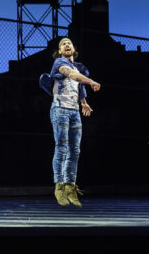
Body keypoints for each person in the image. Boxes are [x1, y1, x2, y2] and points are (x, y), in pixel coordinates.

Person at [39, 37, 100, 207]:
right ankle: (59, 186)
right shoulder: (59, 62)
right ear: (59, 51)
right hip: (60, 110)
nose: (67, 45)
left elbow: (78, 86)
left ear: (74, 48)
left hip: (74, 112)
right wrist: (91, 81)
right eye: (63, 44)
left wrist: (84, 103)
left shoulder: (78, 67)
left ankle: (70, 186)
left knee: (75, 150)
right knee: (62, 147)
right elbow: (72, 76)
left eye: (69, 43)